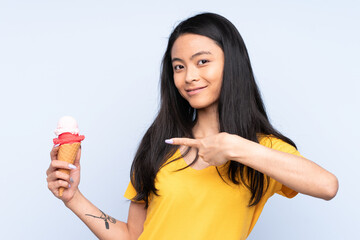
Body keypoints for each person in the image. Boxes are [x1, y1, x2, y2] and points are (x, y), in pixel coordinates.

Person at [47, 12, 338, 240]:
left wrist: (233, 146)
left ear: (231, 64)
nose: (189, 76)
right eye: (179, 66)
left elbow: (327, 186)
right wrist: (73, 198)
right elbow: (134, 236)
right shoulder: (159, 144)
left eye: (202, 61)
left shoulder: (260, 149)